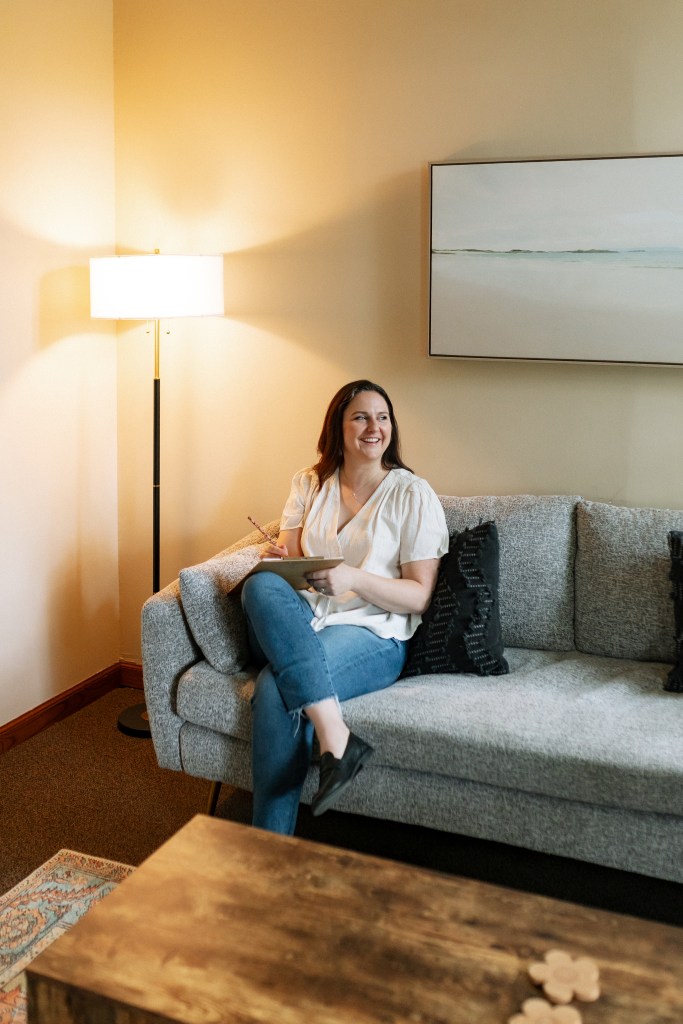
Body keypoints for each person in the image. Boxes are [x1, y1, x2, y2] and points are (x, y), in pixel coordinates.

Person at [241, 379, 449, 835]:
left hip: (373, 633)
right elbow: (291, 556)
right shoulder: (309, 483)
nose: (374, 427)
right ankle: (336, 735)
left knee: (275, 688)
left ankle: (264, 850)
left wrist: (352, 577)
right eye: (360, 416)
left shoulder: (412, 495)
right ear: (339, 426)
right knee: (258, 587)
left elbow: (419, 595)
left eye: (383, 417)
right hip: (306, 621)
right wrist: (284, 560)